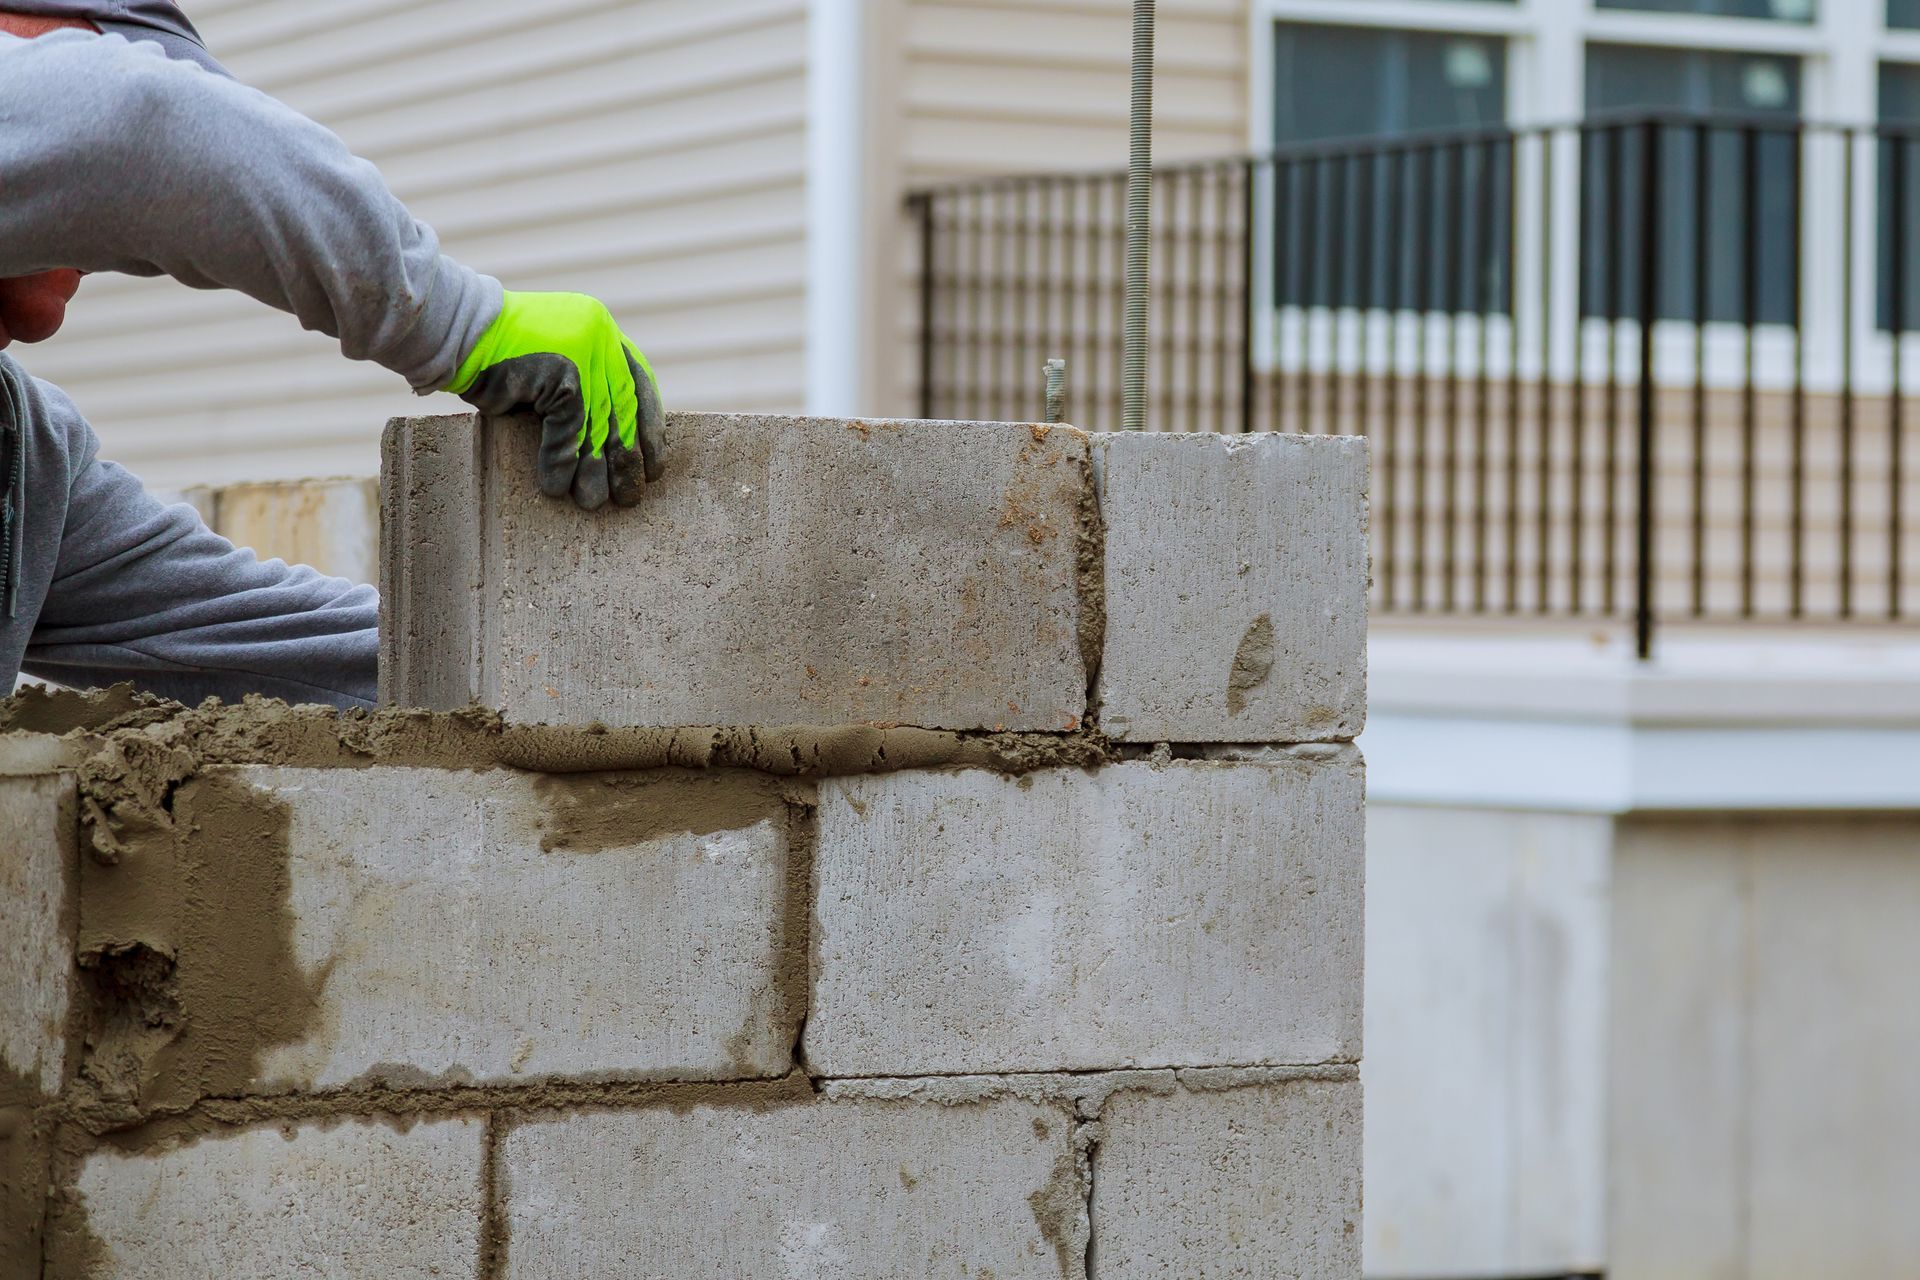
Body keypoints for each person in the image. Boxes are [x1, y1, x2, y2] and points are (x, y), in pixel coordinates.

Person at [0, 2, 663, 710]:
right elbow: (136, 124)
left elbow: (271, 644)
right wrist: (469, 323)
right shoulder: (112, 113)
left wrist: (592, 680)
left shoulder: (30, 463)